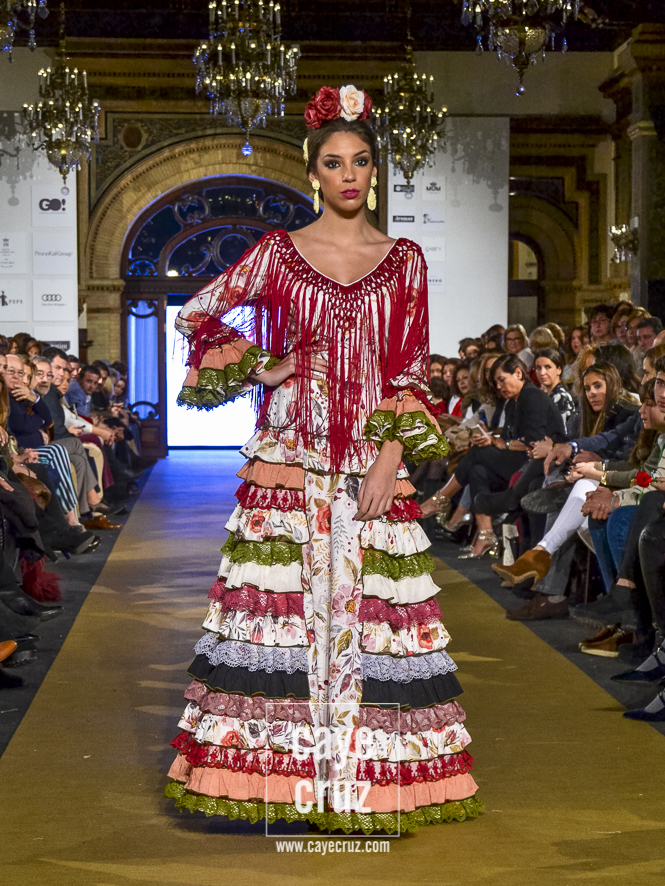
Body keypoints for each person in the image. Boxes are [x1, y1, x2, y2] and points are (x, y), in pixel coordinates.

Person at [164, 85, 482, 832]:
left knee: (375, 618)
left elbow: (408, 367)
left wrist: (390, 458)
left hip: (371, 458)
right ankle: (289, 781)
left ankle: (362, 783)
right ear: (313, 172)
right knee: (280, 618)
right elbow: (198, 312)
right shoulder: (279, 254)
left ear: (374, 170)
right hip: (289, 459)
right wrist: (263, 366)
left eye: (360, 161)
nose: (348, 175)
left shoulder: (402, 261)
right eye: (334, 163)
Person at [493, 363, 639, 619]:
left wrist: (597, 466)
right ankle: (549, 582)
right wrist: (574, 455)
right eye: (587, 388)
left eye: (598, 386)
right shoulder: (585, 414)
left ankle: (544, 572)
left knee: (570, 499)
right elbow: (596, 441)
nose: (592, 393)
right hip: (595, 479)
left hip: (621, 483)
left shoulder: (631, 411)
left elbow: (632, 460)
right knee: (561, 488)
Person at [421, 353, 565, 559]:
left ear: (518, 373)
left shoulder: (532, 397)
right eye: (496, 383)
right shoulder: (513, 402)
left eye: (501, 380)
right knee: (477, 470)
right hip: (523, 459)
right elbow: (508, 439)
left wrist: (502, 443)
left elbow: (534, 442)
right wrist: (494, 440)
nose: (499, 387)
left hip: (539, 464)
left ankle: (441, 499)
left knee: (478, 453)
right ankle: (485, 535)